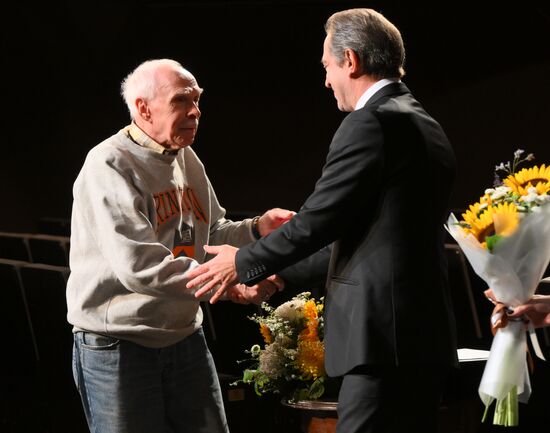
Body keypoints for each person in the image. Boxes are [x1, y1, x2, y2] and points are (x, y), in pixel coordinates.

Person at [186, 8, 458, 433]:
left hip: (381, 344)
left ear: (350, 60)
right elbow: (362, 238)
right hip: (418, 340)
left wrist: (241, 263)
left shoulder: (371, 122)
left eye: (328, 66)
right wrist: (277, 276)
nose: (327, 80)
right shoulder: (425, 123)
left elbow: (318, 221)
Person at [66, 58, 293, 433]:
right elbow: (141, 267)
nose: (196, 111)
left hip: (184, 336)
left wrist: (257, 229)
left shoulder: (185, 156)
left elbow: (210, 231)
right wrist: (228, 282)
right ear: (143, 108)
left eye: (197, 100)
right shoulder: (108, 165)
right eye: (181, 101)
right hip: (120, 346)